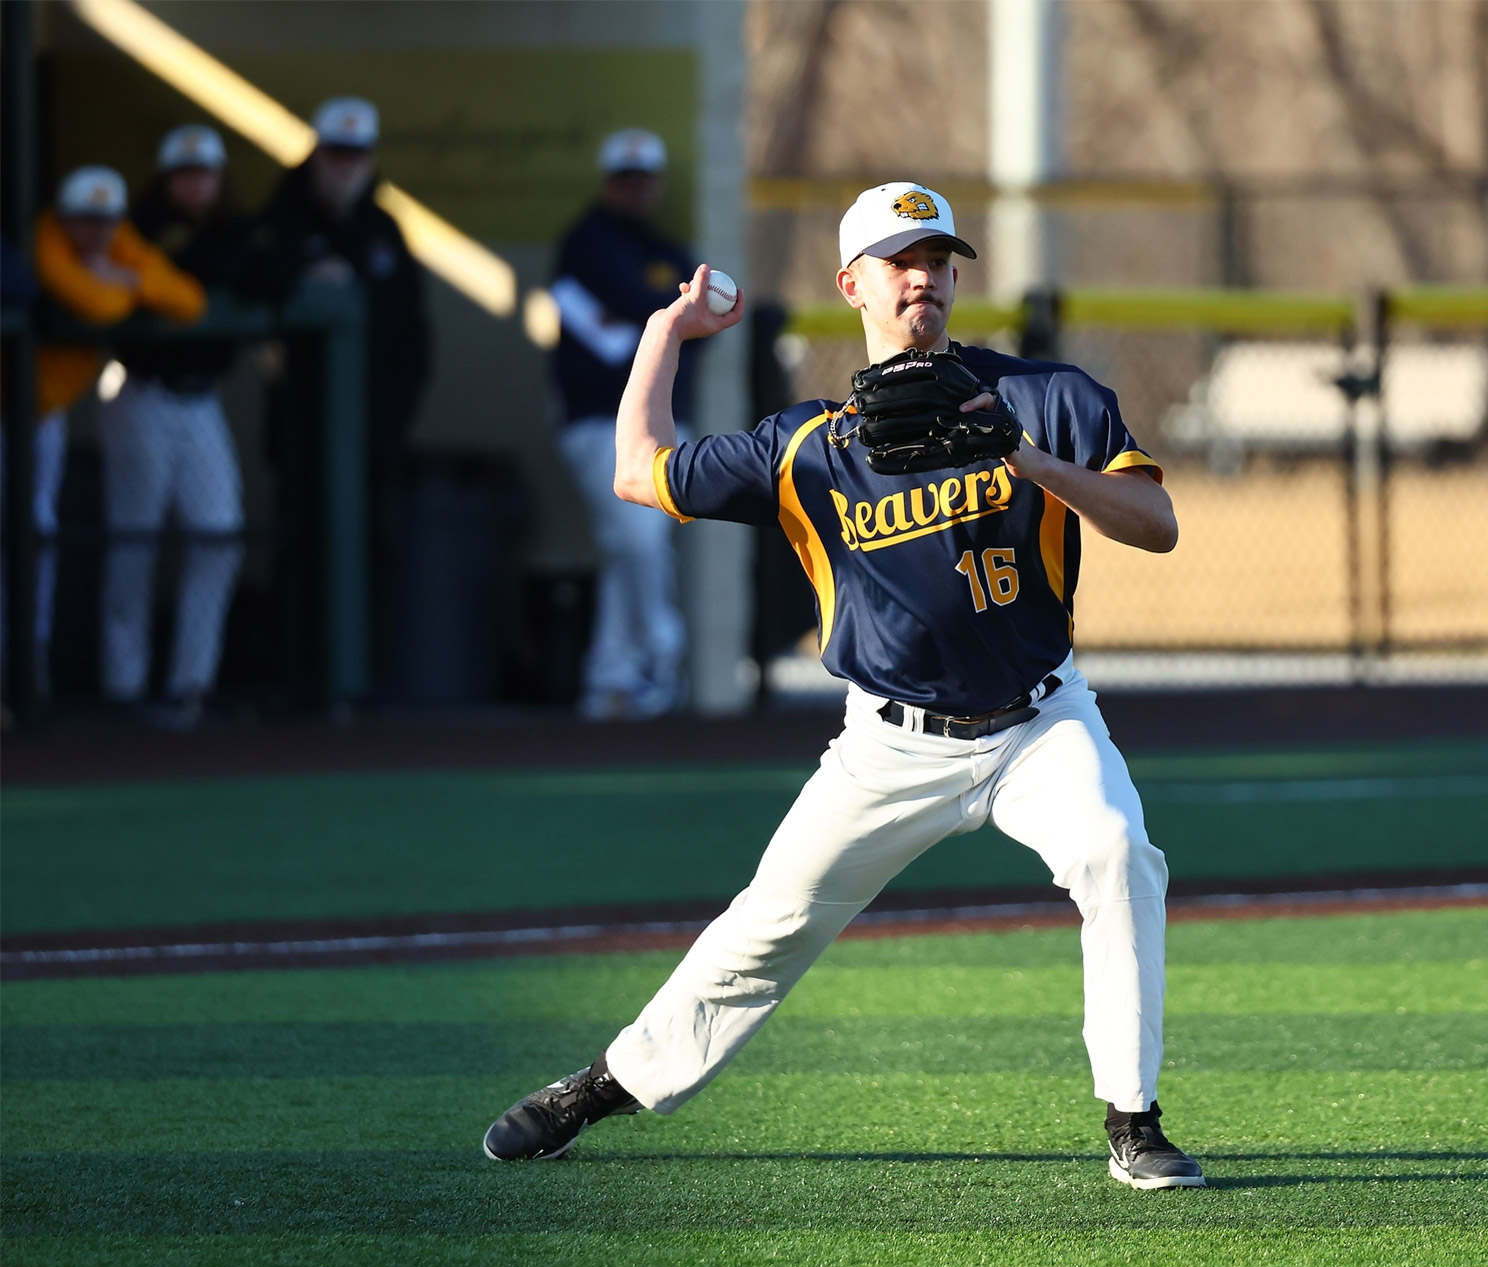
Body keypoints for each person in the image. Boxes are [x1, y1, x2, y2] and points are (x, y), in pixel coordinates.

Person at [484, 182, 1205, 1190]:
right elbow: (636, 471)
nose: (922, 275)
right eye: (898, 259)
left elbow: (1153, 522)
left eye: (938, 257)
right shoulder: (807, 446)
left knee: (1117, 850)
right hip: (888, 743)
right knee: (766, 928)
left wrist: (1024, 457)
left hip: (1040, 721)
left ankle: (1132, 1119)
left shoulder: (1041, 398)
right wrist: (665, 331)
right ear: (852, 284)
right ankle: (600, 1086)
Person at [250, 97, 430, 695]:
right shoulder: (281, 218)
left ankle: (369, 688)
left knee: (377, 549)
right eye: (335, 151)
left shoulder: (384, 229)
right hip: (304, 432)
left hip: (375, 437)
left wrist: (396, 417)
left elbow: (414, 336)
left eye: (357, 153)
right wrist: (300, 281)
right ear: (315, 152)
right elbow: (248, 274)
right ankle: (295, 685)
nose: (345, 163)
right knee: (300, 552)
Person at [23, 166, 204, 689]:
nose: (96, 233)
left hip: (42, 416)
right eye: (85, 220)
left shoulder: (119, 244)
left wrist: (130, 279)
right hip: (11, 406)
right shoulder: (47, 238)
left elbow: (190, 301)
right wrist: (126, 289)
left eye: (104, 221)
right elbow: (97, 302)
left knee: (37, 532)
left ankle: (27, 663)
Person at [100, 125, 252, 728]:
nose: (196, 185)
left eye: (205, 174)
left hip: (201, 400)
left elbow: (248, 269)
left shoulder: (233, 230)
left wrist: (168, 279)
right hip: (139, 392)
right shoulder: (133, 228)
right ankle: (123, 685)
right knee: (134, 540)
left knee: (219, 533)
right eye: (184, 175)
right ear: (165, 180)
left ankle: (190, 684)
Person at [548, 129, 696, 720]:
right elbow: (618, 336)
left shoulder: (667, 249)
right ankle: (663, 653)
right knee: (638, 540)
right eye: (623, 180)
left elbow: (688, 325)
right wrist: (655, 319)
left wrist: (648, 318)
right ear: (607, 183)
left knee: (627, 545)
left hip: (661, 423)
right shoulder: (582, 245)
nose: (634, 190)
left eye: (643, 180)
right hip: (595, 422)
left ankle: (611, 678)